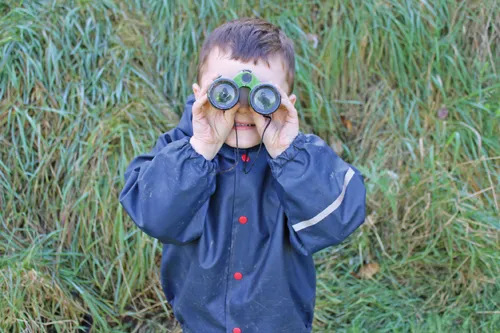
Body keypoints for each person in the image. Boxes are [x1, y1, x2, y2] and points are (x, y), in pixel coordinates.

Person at [119, 17, 366, 333]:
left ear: (286, 102)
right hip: (200, 323)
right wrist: (201, 149)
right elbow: (154, 215)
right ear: (199, 95)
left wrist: (289, 155)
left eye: (262, 97)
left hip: (280, 324)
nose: (243, 108)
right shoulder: (179, 151)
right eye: (226, 92)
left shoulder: (299, 159)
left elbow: (341, 218)